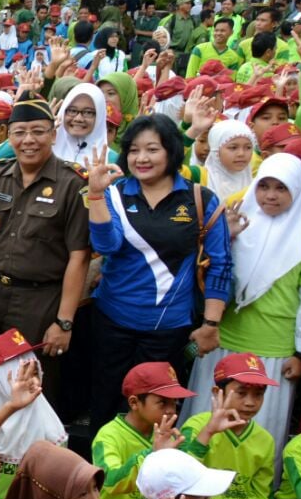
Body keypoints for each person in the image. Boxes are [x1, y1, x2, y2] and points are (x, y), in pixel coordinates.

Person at [85, 114, 232, 431]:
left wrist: (211, 323)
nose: (141, 158)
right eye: (134, 150)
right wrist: (95, 195)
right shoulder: (116, 193)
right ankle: (103, 475)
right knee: (107, 404)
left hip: (168, 328)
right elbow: (106, 245)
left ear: (171, 151)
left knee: (157, 410)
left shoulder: (199, 199)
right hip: (113, 321)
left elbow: (220, 264)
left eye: (152, 149)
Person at [0, 97, 90, 407]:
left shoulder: (72, 183)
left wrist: (64, 322)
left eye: (38, 131)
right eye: (19, 132)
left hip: (40, 301)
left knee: (33, 387)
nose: (28, 140)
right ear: (9, 135)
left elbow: (78, 257)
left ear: (54, 135)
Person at [183, 153, 301, 449]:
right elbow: (207, 275)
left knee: (259, 434)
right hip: (223, 341)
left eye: (281, 188)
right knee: (208, 422)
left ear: (298, 189)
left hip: (274, 350)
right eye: (264, 186)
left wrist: (300, 354)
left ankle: (250, 494)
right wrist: (224, 239)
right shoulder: (236, 224)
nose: (270, 195)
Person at [181, 353, 278, 499]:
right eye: (241, 393)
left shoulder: (265, 440)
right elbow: (182, 473)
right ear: (218, 392)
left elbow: (261, 496)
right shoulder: (197, 425)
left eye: (258, 394)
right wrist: (209, 432)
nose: (250, 403)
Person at [0, 328, 68, 499]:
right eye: (23, 375)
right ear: (2, 378)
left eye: (35, 373)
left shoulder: (47, 417)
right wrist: (11, 407)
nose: (34, 381)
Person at [93, 362, 197, 499]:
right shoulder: (108, 435)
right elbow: (109, 481)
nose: (171, 410)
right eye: (163, 402)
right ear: (134, 402)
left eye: (174, 403)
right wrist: (153, 453)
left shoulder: (171, 436)